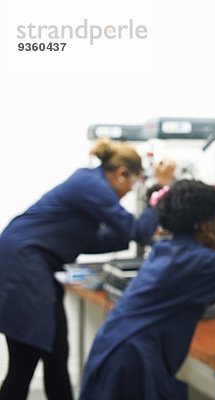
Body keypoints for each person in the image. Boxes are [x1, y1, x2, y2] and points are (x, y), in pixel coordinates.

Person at [79, 179, 215, 400]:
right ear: (206, 227)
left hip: (113, 350)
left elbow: (203, 253)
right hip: (133, 364)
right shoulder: (198, 263)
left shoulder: (167, 248)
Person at [0, 138, 163, 400]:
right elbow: (136, 231)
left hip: (32, 263)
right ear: (122, 174)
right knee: (25, 359)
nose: (127, 193)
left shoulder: (89, 184)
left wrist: (141, 235)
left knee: (56, 352)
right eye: (131, 185)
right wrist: (160, 192)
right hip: (24, 264)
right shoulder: (92, 185)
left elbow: (91, 240)